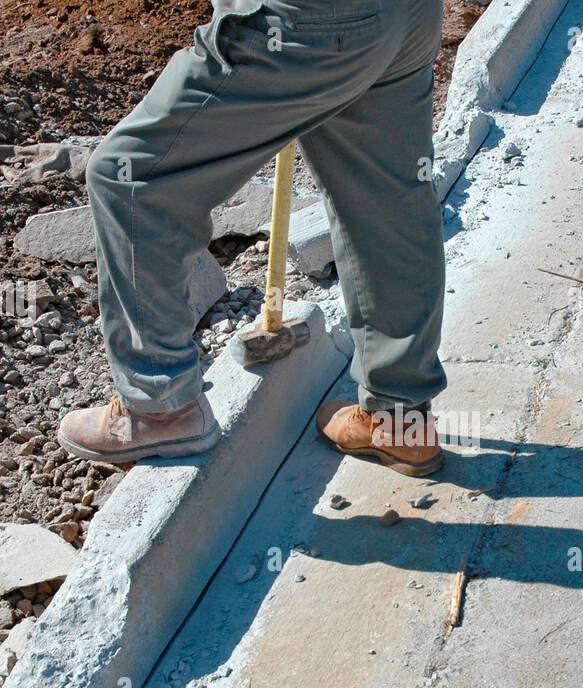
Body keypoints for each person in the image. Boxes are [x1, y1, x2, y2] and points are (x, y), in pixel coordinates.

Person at [57, 0, 448, 477]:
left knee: (132, 179)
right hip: (404, 15)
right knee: (388, 203)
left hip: (310, 24)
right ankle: (400, 419)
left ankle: (160, 408)